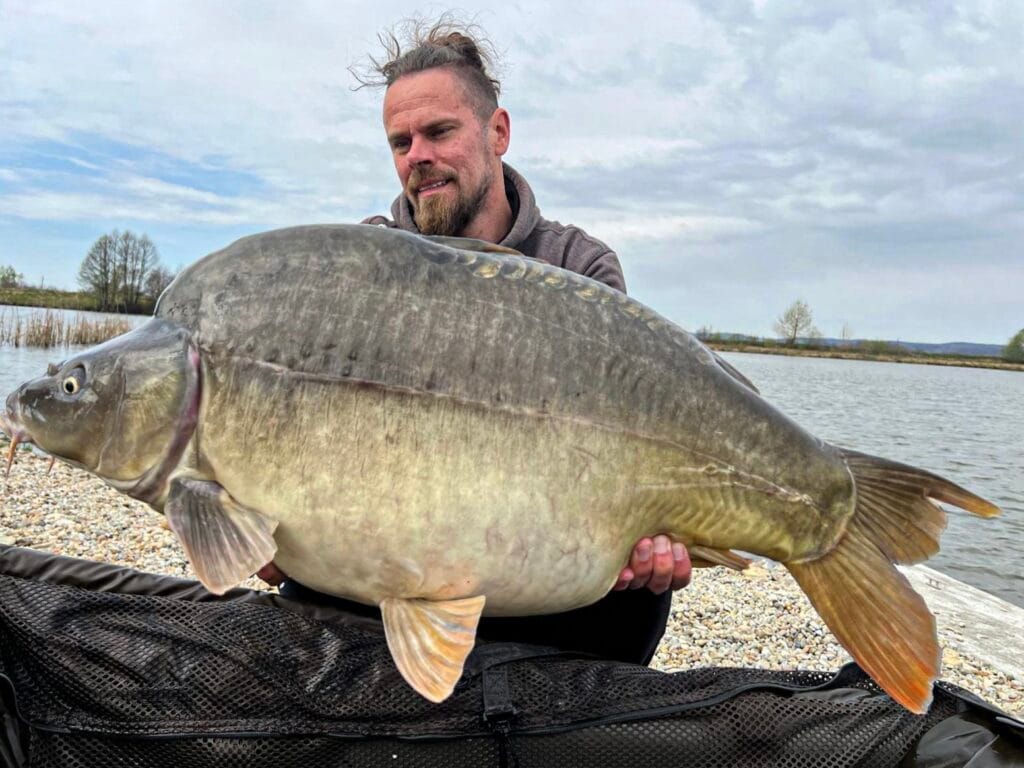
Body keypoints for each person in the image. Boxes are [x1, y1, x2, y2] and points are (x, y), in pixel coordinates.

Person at [265, 18, 692, 667]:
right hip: (389, 548)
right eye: (400, 142)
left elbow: (625, 438)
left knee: (637, 588)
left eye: (439, 132)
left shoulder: (579, 267)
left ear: (498, 132)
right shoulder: (361, 265)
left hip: (534, 565)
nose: (417, 156)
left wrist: (656, 531)